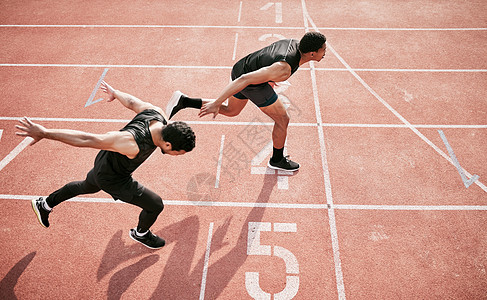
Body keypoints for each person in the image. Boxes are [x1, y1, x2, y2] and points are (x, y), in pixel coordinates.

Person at [16, 81, 196, 249]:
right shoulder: (131, 143)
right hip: (114, 178)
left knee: (86, 186)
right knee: (155, 204)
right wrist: (45, 133)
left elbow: (133, 102)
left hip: (105, 164)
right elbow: (87, 139)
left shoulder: (157, 114)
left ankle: (45, 204)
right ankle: (141, 234)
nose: (176, 156)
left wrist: (116, 93)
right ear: (168, 145)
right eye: (178, 153)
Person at [165, 31, 326, 171]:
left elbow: (266, 56)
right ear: (312, 53)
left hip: (241, 67)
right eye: (323, 50)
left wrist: (267, 77)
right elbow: (246, 79)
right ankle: (277, 160)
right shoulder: (283, 69)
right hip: (247, 80)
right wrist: (216, 102)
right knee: (283, 119)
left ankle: (184, 101)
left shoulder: (292, 42)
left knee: (231, 111)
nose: (325, 52)